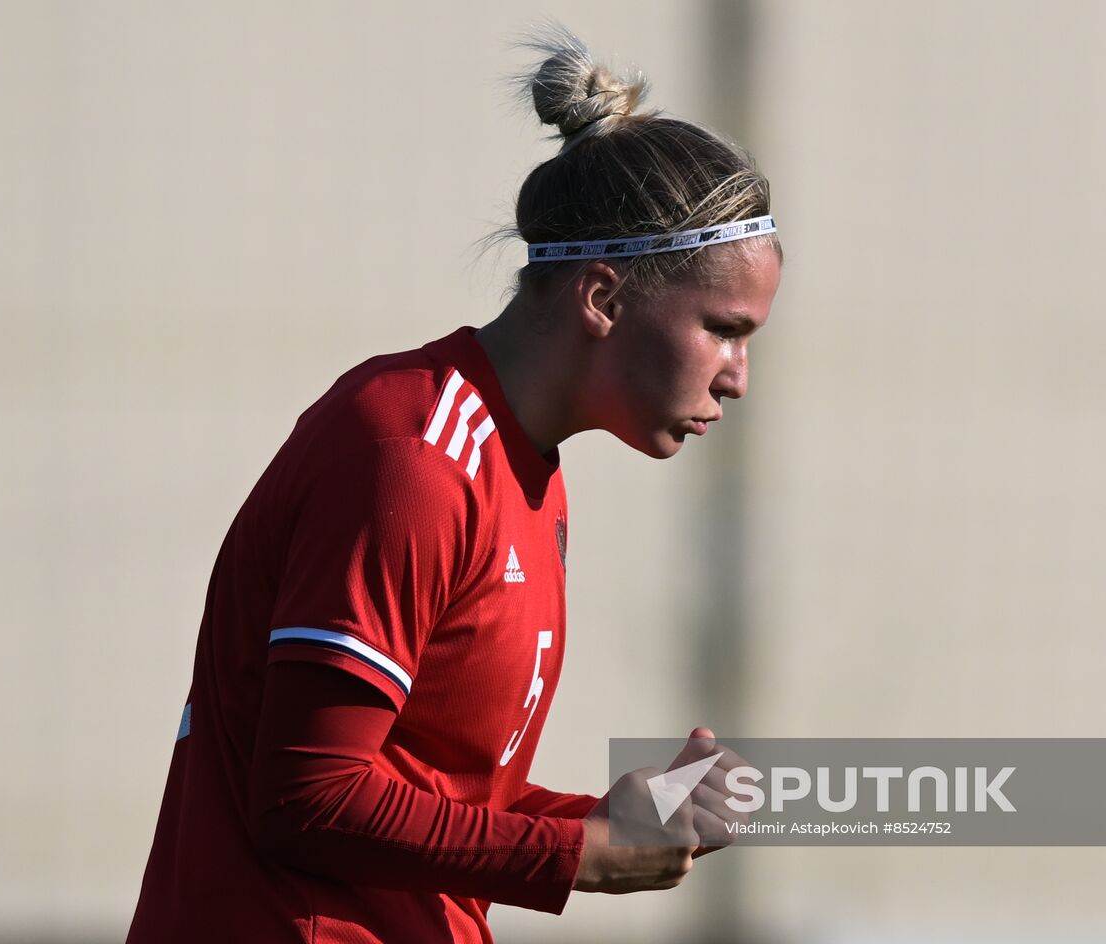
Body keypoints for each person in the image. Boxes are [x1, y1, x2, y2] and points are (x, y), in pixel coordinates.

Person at [127, 26, 782, 944]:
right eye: (724, 327)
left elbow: (434, 795)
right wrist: (575, 857)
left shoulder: (525, 472)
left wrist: (602, 823)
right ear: (602, 299)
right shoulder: (409, 458)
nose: (737, 375)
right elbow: (307, 797)